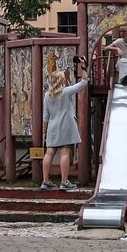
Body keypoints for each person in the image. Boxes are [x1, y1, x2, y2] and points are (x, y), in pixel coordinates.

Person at [42, 61, 87, 190]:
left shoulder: (47, 96)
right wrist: (83, 66)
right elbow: (84, 82)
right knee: (65, 153)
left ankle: (45, 181)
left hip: (52, 126)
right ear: (61, 81)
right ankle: (64, 181)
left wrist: (45, 131)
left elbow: (45, 116)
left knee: (49, 153)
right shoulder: (66, 92)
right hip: (66, 125)